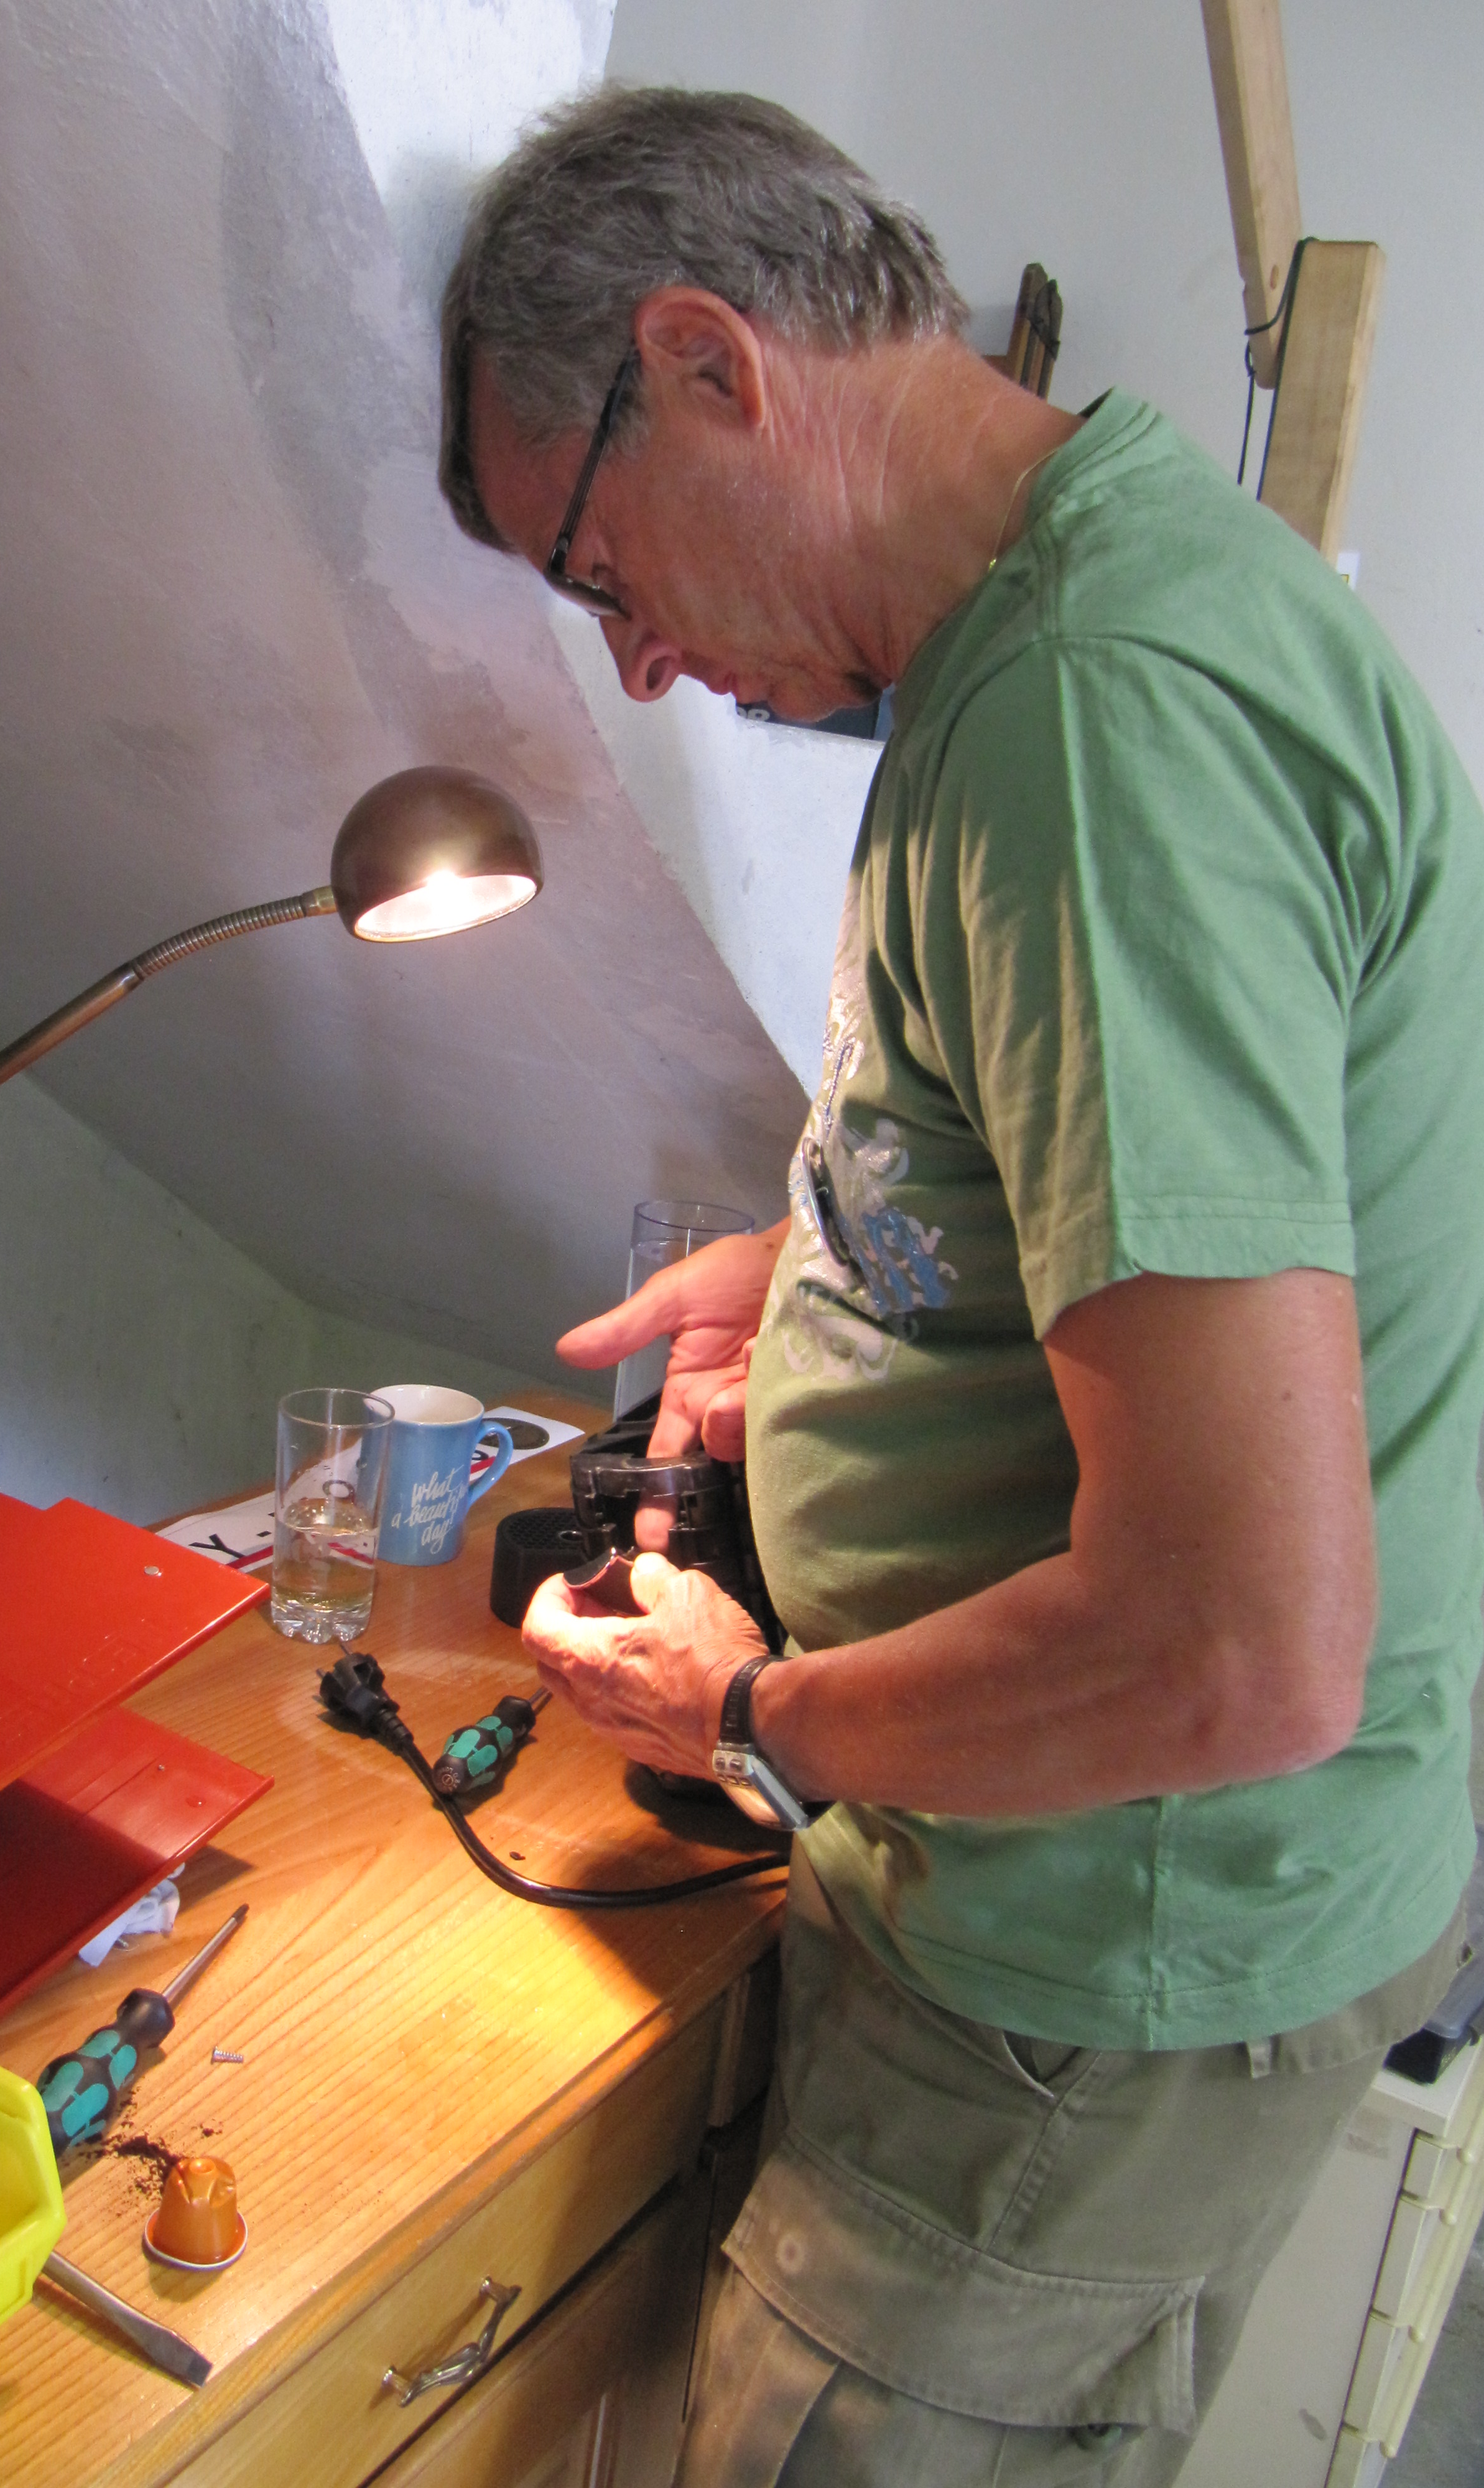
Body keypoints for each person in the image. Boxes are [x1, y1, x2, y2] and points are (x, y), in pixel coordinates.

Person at [438, 85, 1484, 2486]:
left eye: (599, 571)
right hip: (1135, 1922)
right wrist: (824, 1278)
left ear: (710, 365)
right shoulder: (1093, 596)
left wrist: (751, 1710)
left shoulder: (1096, 729)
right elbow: (1138, 1184)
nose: (636, 668)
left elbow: (1241, 1643)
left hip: (1089, 1973)